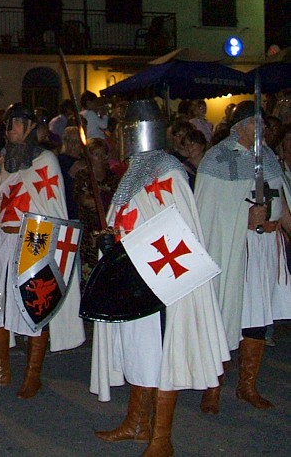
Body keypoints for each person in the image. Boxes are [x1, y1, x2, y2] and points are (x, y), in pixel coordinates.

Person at [91, 99, 229, 456]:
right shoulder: (133, 174)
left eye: (126, 130)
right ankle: (137, 424)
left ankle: (161, 438)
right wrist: (112, 239)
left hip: (161, 282)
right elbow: (131, 222)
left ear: (139, 131)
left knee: (165, 355)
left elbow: (179, 231)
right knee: (140, 352)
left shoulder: (169, 173)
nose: (121, 137)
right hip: (133, 279)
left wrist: (130, 244)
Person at [0, 102, 85, 399]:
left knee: (35, 306)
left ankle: (32, 375)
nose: (11, 129)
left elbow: (50, 206)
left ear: (31, 127)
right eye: (9, 124)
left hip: (32, 242)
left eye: (18, 123)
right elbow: (3, 198)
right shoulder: (6, 159)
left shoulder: (45, 159)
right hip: (1, 239)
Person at [195, 101, 291, 414]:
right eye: (256, 123)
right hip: (235, 248)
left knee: (257, 319)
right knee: (227, 314)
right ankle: (213, 388)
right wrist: (244, 218)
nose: (263, 129)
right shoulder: (218, 158)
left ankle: (247, 386)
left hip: (265, 251)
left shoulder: (270, 159)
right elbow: (208, 211)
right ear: (241, 126)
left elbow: (283, 204)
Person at [72, 138, 119, 282]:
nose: (99, 158)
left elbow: (117, 202)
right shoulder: (83, 176)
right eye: (95, 154)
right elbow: (84, 200)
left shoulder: (113, 178)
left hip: (108, 232)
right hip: (89, 236)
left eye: (102, 154)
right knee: (89, 276)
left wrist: (103, 201)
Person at [58, 126, 83, 220]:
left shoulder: (85, 162)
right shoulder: (59, 161)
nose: (72, 144)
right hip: (67, 211)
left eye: (76, 141)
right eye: (69, 141)